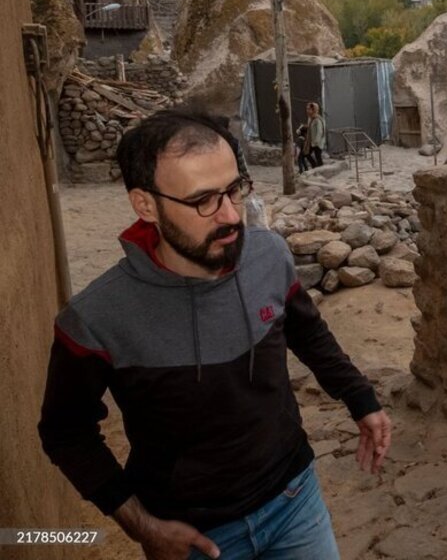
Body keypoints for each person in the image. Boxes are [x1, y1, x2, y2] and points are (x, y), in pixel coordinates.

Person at [39, 110, 393, 560]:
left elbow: (308, 332)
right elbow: (65, 433)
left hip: (295, 502)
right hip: (192, 538)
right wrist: (143, 526)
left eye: (234, 189)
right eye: (203, 200)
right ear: (145, 204)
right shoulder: (95, 318)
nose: (230, 215)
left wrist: (361, 399)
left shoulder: (269, 255)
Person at [304, 102, 326, 169]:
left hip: (318, 142)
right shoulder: (310, 118)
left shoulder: (318, 120)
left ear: (314, 110)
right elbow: (310, 128)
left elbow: (319, 132)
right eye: (307, 109)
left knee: (318, 156)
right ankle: (314, 166)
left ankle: (321, 170)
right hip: (311, 141)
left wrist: (316, 142)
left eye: (309, 109)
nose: (307, 110)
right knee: (306, 153)